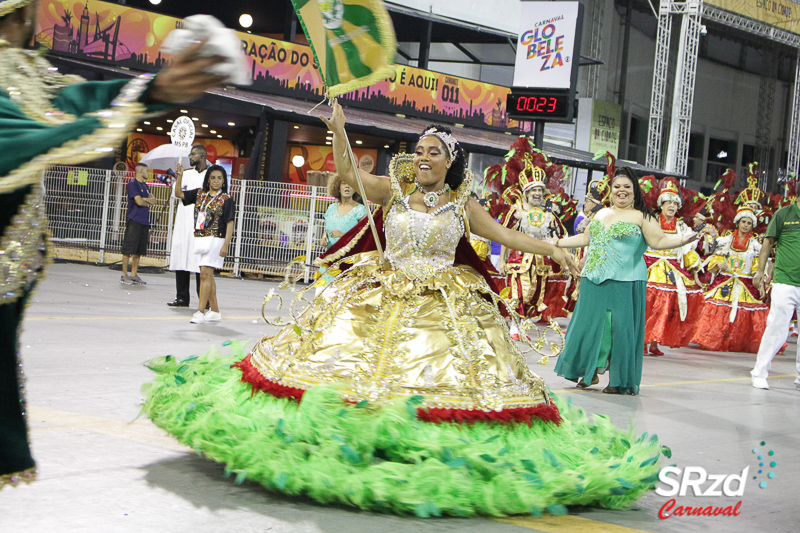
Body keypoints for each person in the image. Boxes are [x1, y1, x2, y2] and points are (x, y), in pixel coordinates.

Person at [142, 102, 671, 516]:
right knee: (345, 368)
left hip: (446, 304)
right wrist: (340, 127)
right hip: (379, 293)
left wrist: (552, 248)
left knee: (444, 381)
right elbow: (348, 170)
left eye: (433, 152)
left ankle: (415, 447)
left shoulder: (463, 204)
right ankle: (351, 438)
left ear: (451, 163)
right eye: (419, 150)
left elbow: (503, 233)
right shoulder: (391, 192)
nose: (423, 156)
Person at [0, 0, 228, 488]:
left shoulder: (25, 72)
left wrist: (150, 90)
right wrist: (139, 98)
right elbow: (24, 129)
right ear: (20, 17)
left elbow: (76, 99)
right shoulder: (9, 72)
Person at [553, 168, 700, 395]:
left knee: (619, 330)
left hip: (626, 280)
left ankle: (620, 380)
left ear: (635, 192)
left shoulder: (643, 216)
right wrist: (557, 243)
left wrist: (682, 239)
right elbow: (585, 238)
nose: (621, 191)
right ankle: (588, 371)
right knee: (587, 326)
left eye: (627, 187)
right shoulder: (601, 214)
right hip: (593, 278)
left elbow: (659, 240)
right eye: (617, 187)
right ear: (611, 191)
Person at [691, 205, 767, 353]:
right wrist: (719, 264)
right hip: (724, 281)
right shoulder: (724, 241)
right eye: (743, 222)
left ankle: (737, 341)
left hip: (745, 284)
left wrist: (760, 283)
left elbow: (757, 269)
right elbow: (713, 264)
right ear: (738, 222)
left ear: (752, 225)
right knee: (718, 310)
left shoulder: (756, 246)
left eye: (749, 223)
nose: (745, 225)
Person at [643, 180, 703, 356]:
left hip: (672, 270)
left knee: (665, 308)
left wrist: (696, 277)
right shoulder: (651, 221)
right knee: (647, 306)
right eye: (668, 202)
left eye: (675, 203)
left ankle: (654, 342)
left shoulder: (682, 226)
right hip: (649, 267)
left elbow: (687, 251)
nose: (672, 205)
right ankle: (642, 341)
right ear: (661, 204)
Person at [173, 164, 235, 324]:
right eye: (213, 177)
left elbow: (230, 223)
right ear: (208, 179)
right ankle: (214, 311)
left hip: (216, 239)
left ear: (223, 181)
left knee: (204, 275)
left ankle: (200, 311)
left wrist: (226, 245)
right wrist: (179, 176)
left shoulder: (226, 199)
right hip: (201, 238)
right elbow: (179, 193)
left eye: (219, 178)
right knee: (208, 276)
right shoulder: (200, 194)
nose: (216, 181)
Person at [750, 192, 800, 389]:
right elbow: (768, 243)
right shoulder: (784, 214)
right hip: (785, 280)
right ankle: (760, 372)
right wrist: (760, 271)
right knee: (777, 328)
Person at [167, 144, 208, 307]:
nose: (190, 158)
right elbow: (176, 195)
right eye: (189, 155)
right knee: (181, 256)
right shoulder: (186, 174)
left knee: (199, 261)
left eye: (193, 155)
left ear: (203, 156)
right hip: (183, 223)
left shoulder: (212, 175)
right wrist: (179, 177)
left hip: (201, 222)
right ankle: (182, 297)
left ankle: (204, 300)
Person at [120, 162, 157, 285]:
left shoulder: (145, 186)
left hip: (144, 221)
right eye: (147, 171)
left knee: (139, 250)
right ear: (141, 171)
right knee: (128, 248)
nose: (148, 173)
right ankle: (124, 274)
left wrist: (144, 199)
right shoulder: (132, 184)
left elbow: (154, 200)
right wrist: (146, 200)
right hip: (134, 220)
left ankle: (134, 274)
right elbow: (139, 202)